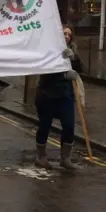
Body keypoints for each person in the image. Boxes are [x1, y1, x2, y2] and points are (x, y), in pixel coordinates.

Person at [34, 25, 84, 170]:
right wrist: (63, 75)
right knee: (45, 125)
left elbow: (80, 69)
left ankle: (65, 158)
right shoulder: (49, 51)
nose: (67, 36)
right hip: (47, 94)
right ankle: (41, 157)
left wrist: (73, 60)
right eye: (64, 34)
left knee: (69, 126)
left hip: (65, 95)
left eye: (69, 34)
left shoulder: (72, 50)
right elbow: (45, 71)